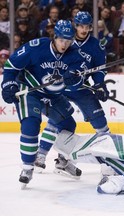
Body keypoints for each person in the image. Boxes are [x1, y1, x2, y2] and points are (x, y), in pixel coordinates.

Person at [1, 20, 88, 187]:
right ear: (54, 37)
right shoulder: (36, 47)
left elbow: (78, 81)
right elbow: (11, 65)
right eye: (62, 40)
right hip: (30, 91)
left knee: (68, 124)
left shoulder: (75, 54)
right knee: (31, 124)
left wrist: (74, 79)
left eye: (69, 40)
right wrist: (8, 84)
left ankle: (62, 161)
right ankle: (27, 167)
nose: (65, 44)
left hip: (54, 96)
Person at [34, 12, 110, 176]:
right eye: (81, 26)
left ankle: (106, 161)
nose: (84, 29)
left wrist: (100, 85)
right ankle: (40, 156)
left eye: (87, 26)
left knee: (101, 124)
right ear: (75, 25)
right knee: (57, 121)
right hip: (59, 88)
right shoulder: (64, 39)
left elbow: (100, 70)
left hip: (81, 88)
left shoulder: (96, 46)